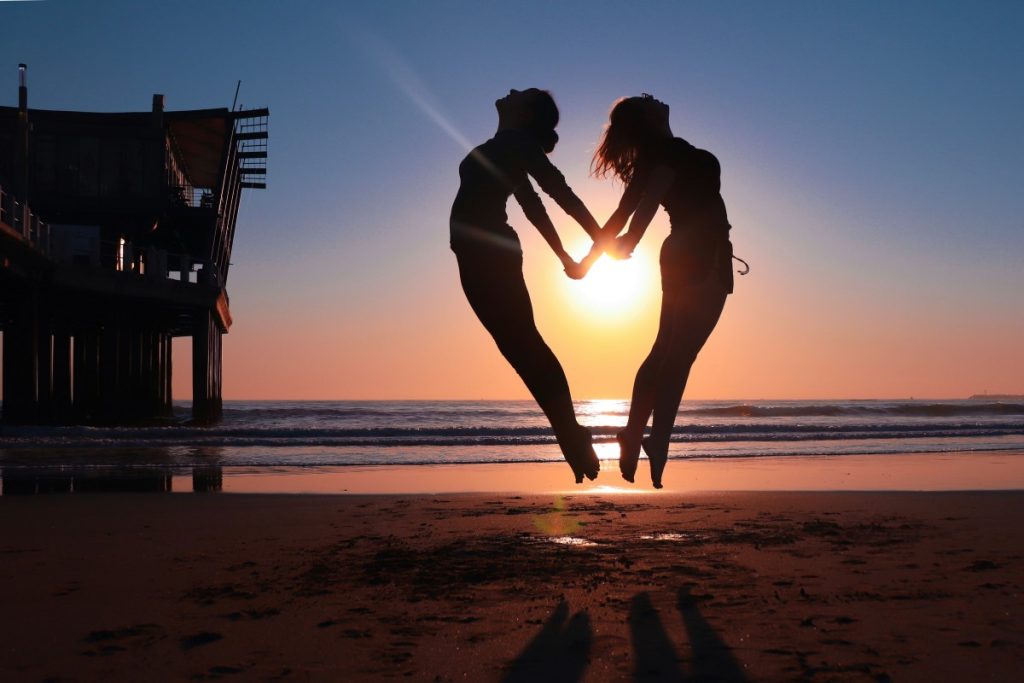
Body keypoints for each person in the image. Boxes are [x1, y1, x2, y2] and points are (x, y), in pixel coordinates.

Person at [450, 88, 601, 482]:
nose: (511, 91)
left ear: (526, 112)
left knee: (525, 345)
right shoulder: (504, 146)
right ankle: (568, 431)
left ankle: (569, 433)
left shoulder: (517, 143)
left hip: (488, 254)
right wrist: (564, 256)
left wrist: (598, 236)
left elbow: (558, 191)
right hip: (474, 253)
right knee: (518, 347)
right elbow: (531, 205)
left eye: (522, 93)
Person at [589, 94, 738, 488]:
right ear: (648, 119)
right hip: (701, 255)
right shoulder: (667, 155)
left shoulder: (660, 157)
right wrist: (630, 240)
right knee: (678, 358)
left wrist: (590, 260)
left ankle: (635, 433)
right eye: (646, 100)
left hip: (686, 254)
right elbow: (645, 206)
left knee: (663, 351)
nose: (656, 97)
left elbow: (623, 214)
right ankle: (657, 440)